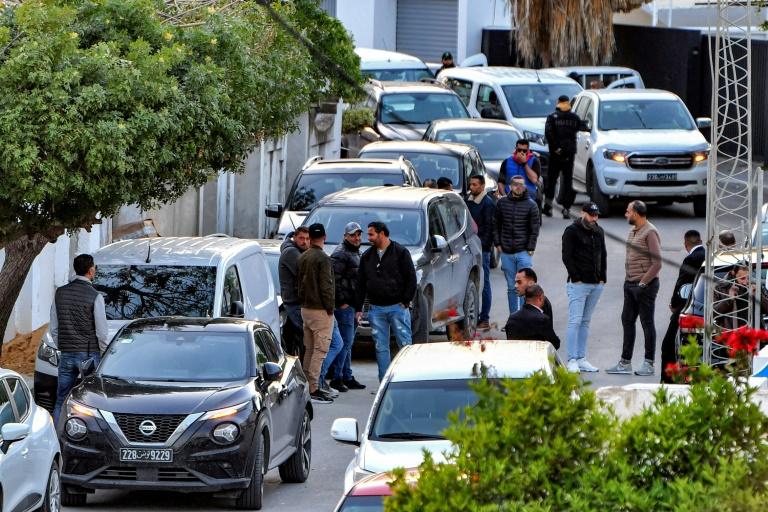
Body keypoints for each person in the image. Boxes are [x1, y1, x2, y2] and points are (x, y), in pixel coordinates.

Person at [607, 201, 662, 376]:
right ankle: (625, 362)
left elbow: (657, 263)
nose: (626, 214)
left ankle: (649, 363)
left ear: (636, 214)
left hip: (645, 286)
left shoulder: (650, 232)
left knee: (647, 323)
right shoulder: (633, 231)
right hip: (630, 284)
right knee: (627, 320)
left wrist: (643, 283)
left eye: (628, 211)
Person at [356, 221, 417, 380]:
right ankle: (385, 382)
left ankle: (407, 380)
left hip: (397, 307)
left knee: (405, 345)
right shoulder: (367, 256)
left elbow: (411, 278)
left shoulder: (401, 252)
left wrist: (405, 300)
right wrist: (358, 308)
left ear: (381, 233)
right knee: (380, 347)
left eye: (371, 234)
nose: (368, 238)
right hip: (376, 309)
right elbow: (361, 283)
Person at [51, 254, 108, 423]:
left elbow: (54, 328)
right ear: (90, 271)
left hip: (67, 354)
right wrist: (104, 354)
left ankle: (57, 434)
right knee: (92, 401)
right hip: (89, 356)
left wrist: (63, 345)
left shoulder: (60, 293)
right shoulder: (95, 296)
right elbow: (102, 333)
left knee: (61, 399)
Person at [561, 202, 607, 373]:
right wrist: (576, 278)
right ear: (582, 213)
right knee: (575, 321)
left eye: (596, 215)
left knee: (585, 322)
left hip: (596, 284)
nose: (594, 218)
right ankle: (572, 359)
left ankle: (581, 358)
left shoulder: (599, 231)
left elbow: (603, 254)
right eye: (591, 215)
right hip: (578, 284)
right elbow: (567, 256)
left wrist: (603, 278)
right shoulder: (571, 231)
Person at [297, 223, 336, 404]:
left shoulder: (303, 256)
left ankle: (307, 385)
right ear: (325, 237)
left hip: (305, 308)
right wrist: (330, 308)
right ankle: (313, 388)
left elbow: (299, 283)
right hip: (320, 310)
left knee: (310, 349)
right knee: (320, 350)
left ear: (310, 238)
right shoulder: (323, 259)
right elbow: (326, 286)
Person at [660, 230, 704, 383]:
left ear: (686, 244)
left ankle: (667, 381)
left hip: (690, 306)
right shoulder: (708, 256)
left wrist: (674, 303)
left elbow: (682, 283)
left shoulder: (691, 259)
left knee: (668, 345)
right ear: (700, 241)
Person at [328, 222, 367, 392]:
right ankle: (336, 378)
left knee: (348, 342)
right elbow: (333, 280)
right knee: (344, 343)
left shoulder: (355, 252)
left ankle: (347, 376)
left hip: (354, 305)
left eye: (358, 234)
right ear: (345, 236)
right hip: (345, 306)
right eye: (352, 235)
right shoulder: (340, 253)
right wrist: (342, 302)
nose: (356, 238)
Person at [494, 175, 540, 315]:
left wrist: (530, 248)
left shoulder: (531, 205)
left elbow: (535, 228)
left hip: (523, 252)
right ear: (510, 186)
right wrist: (498, 244)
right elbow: (496, 224)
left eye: (521, 184)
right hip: (506, 252)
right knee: (511, 287)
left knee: (525, 287)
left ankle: (525, 317)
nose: (518, 187)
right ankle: (514, 318)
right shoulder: (502, 203)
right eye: (515, 184)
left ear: (524, 187)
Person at [544, 95, 584, 219]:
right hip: (569, 154)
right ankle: (566, 209)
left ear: (558, 103)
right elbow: (583, 127)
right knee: (567, 181)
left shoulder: (552, 117)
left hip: (555, 154)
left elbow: (548, 133)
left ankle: (548, 206)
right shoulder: (574, 118)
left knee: (551, 180)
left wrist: (556, 148)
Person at [466, 174, 496, 329]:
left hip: (482, 250)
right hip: (469, 249)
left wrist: (482, 247)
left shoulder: (488, 203)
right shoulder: (468, 200)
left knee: (484, 284)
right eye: (471, 184)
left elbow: (489, 229)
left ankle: (484, 318)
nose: (471, 187)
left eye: (475, 184)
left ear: (482, 186)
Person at [279, 227, 310, 359]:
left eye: (307, 239)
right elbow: (308, 275)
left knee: (297, 344)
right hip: (294, 305)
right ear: (295, 238)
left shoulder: (295, 250)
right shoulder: (292, 252)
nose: (305, 242)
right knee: (306, 343)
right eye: (301, 238)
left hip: (294, 304)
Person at [504, 284, 561, 349]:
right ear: (541, 298)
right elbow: (554, 344)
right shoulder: (542, 319)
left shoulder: (512, 318)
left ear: (525, 299)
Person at [713, 265, 768, 330]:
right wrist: (728, 299)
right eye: (742, 278)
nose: (745, 282)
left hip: (753, 333)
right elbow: (713, 313)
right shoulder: (720, 288)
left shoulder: (754, 286)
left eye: (748, 278)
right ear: (733, 274)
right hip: (731, 333)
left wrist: (759, 296)